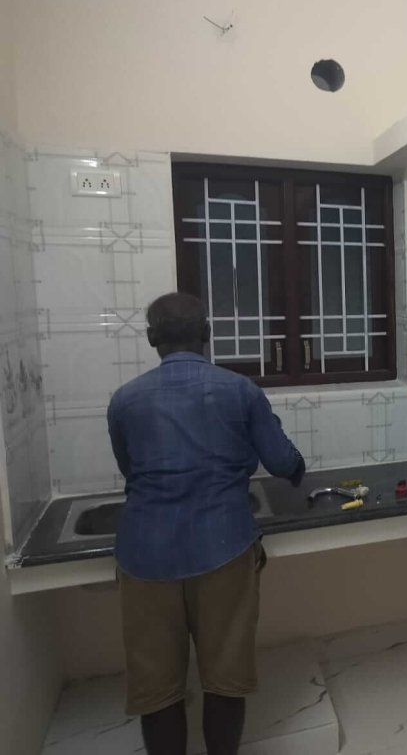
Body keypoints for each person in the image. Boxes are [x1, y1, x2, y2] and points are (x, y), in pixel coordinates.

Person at [107, 292, 305, 755]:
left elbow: (130, 471)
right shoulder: (240, 390)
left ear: (151, 338)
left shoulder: (124, 400)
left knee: (158, 691)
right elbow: (281, 461)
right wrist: (298, 469)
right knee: (225, 680)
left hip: (144, 557)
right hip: (224, 549)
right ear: (207, 334)